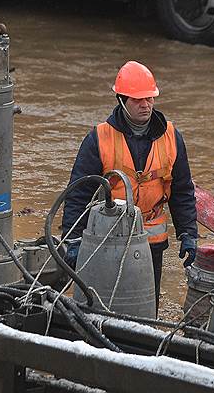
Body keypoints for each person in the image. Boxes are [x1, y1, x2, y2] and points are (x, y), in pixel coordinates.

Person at [62, 60, 198, 309]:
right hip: (107, 238)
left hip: (151, 241)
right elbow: (79, 193)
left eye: (149, 98)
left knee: (146, 308)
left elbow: (182, 191)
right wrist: (72, 239)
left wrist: (188, 233)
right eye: (138, 100)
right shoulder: (99, 138)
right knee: (104, 306)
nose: (145, 105)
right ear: (122, 100)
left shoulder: (171, 137)